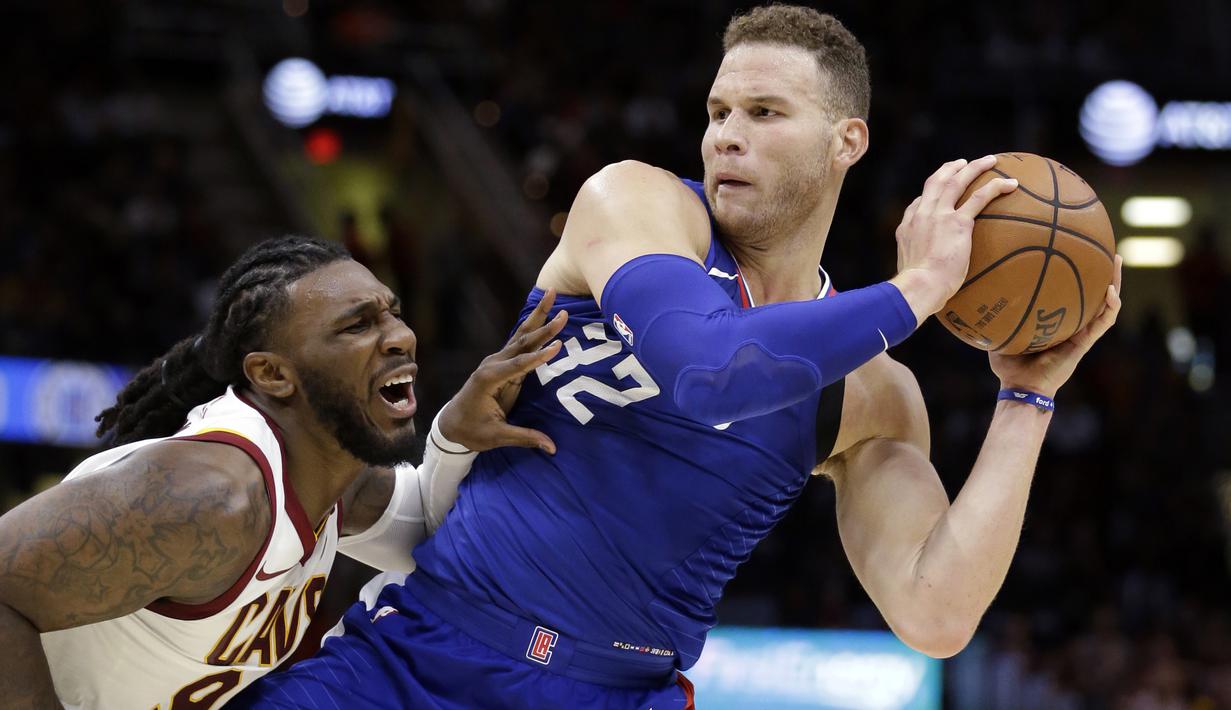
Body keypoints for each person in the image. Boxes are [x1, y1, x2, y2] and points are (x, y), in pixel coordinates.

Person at [237, 6, 1123, 708]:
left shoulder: (868, 391)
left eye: (764, 113)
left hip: (619, 691)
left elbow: (935, 615)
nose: (725, 135)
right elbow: (708, 372)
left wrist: (1026, 398)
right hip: (420, 659)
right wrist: (918, 289)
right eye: (717, 111)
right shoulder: (640, 205)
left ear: (845, 142)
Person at [0, 235, 567, 709]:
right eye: (358, 325)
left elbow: (431, 536)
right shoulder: (210, 498)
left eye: (392, 312)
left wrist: (453, 434)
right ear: (272, 374)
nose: (400, 336)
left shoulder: (332, 479)